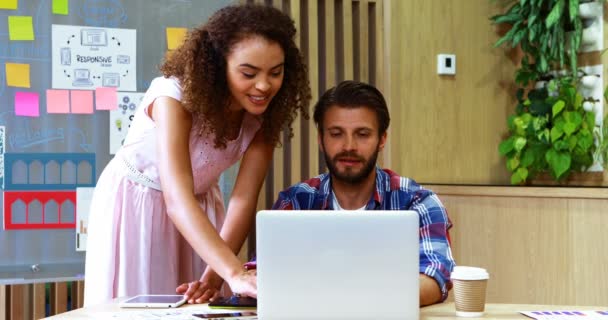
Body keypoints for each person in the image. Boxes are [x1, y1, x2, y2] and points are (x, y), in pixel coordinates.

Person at [84, 4, 310, 306]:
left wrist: (215, 276)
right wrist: (234, 271)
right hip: (137, 203)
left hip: (200, 208)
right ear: (219, 65)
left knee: (199, 303)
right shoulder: (173, 96)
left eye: (276, 73)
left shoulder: (264, 117)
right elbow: (176, 199)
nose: (263, 85)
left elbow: (243, 200)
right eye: (248, 72)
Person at [271, 80, 455, 306]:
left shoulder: (419, 203)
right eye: (337, 134)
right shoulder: (296, 202)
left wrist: (345, 296)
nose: (349, 146)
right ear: (321, 139)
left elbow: (434, 278)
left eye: (363, 134)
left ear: (382, 140)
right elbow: (265, 273)